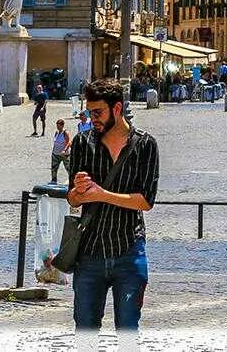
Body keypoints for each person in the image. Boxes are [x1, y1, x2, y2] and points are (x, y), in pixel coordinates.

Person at [65, 78, 160, 349]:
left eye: (98, 112)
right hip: (89, 254)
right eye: (89, 112)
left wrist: (101, 195)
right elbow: (72, 198)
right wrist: (79, 190)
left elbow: (145, 201)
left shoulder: (145, 145)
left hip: (128, 252)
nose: (91, 118)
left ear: (116, 108)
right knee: (84, 333)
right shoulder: (83, 143)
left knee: (128, 331)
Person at [51, 122, 73, 186]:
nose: (58, 127)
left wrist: (64, 150)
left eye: (59, 126)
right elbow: (55, 141)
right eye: (57, 126)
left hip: (64, 154)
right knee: (54, 168)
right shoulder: (56, 132)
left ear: (62, 125)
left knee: (68, 168)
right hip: (55, 153)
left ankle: (72, 180)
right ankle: (53, 180)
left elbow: (69, 142)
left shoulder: (65, 132)